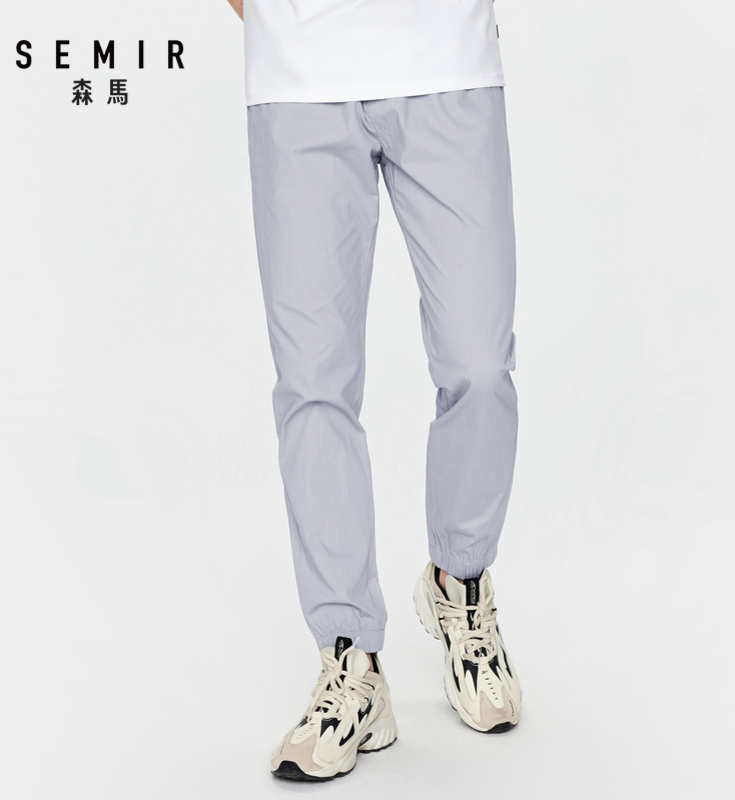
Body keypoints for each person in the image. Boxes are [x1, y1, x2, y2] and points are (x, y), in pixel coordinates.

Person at [226, 0, 523, 781]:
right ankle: (350, 658)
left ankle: (459, 581)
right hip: (298, 74)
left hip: (448, 63)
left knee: (479, 363)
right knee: (313, 385)